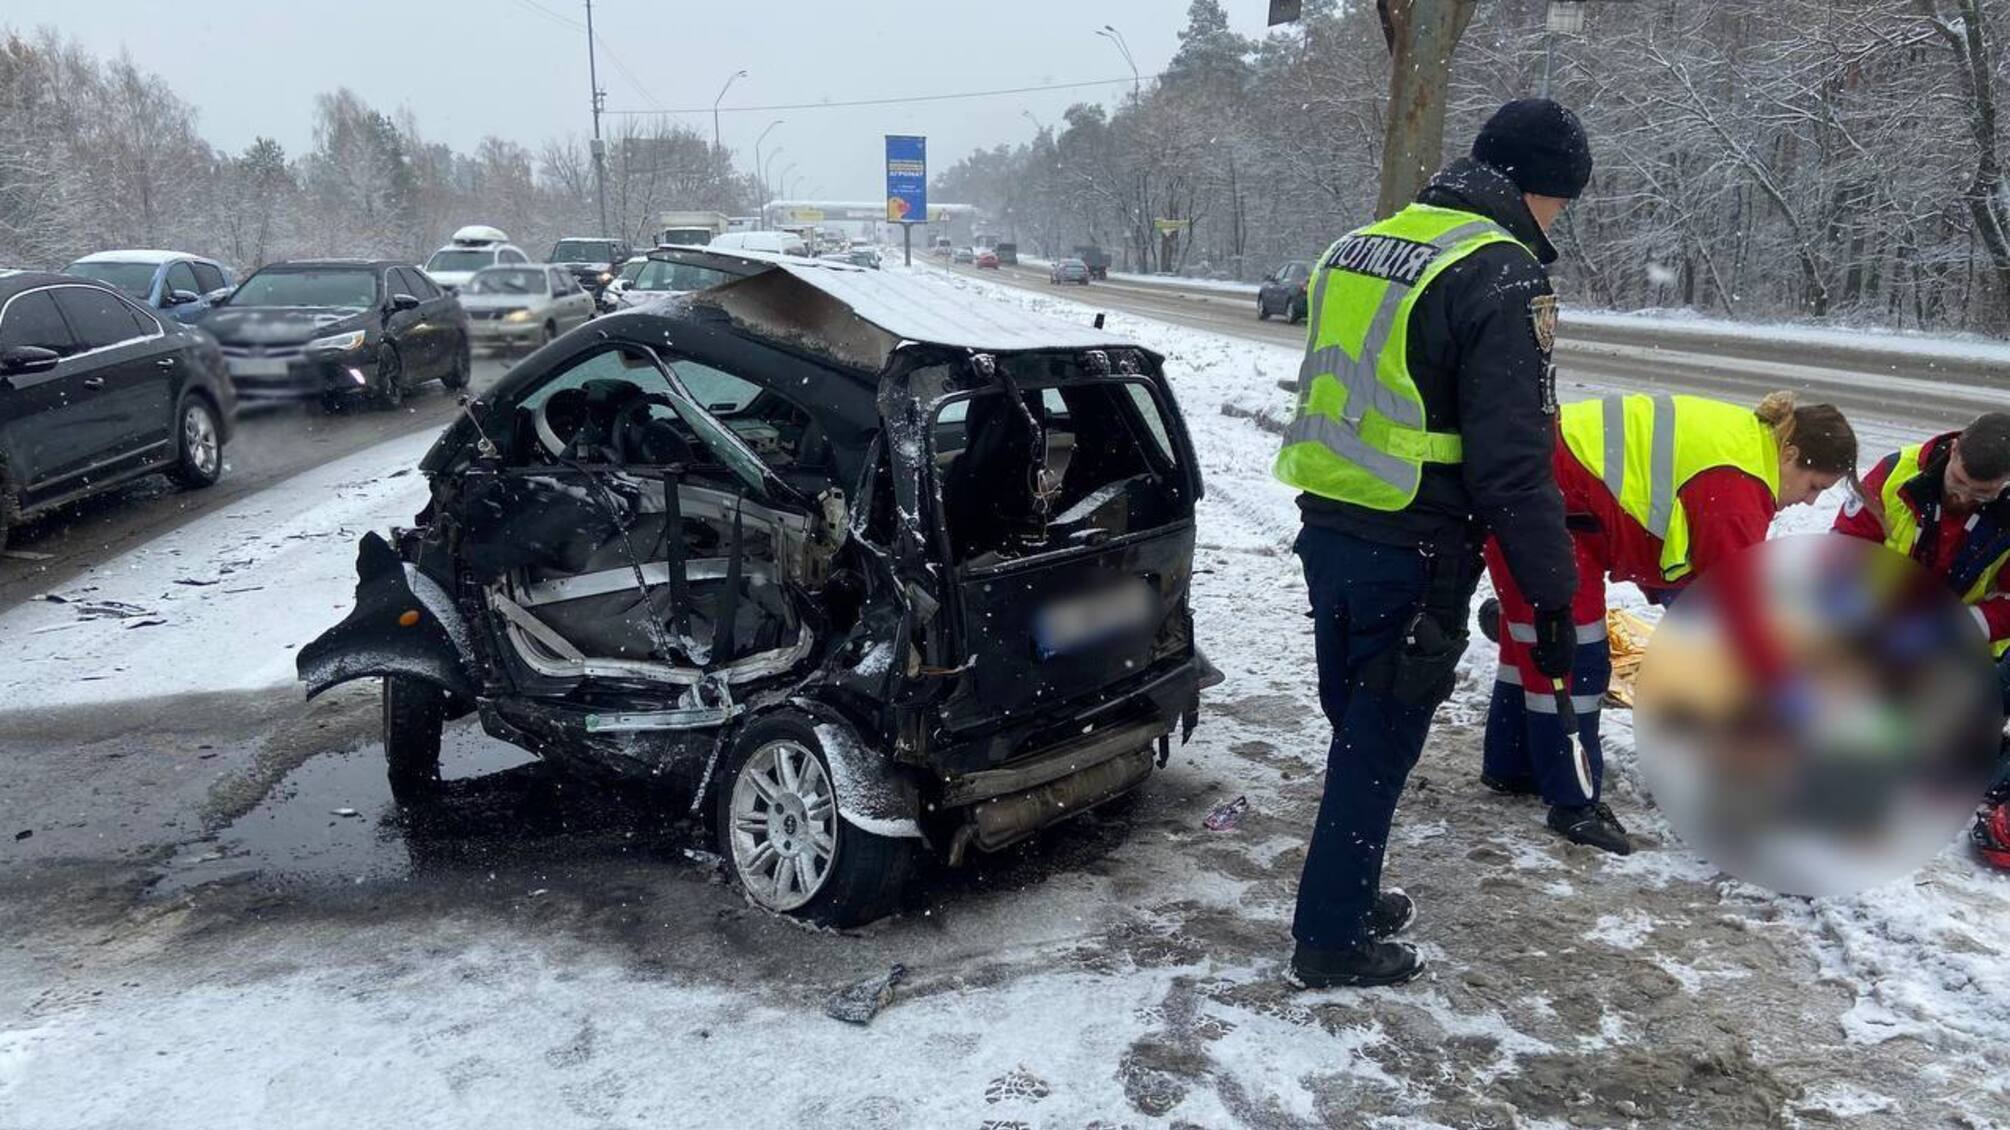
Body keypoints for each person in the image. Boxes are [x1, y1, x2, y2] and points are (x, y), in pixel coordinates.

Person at [1273, 99, 1589, 988]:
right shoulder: (1501, 273)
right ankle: (1330, 940)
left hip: (1330, 522)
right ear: (1540, 189)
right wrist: (1552, 593)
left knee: (1358, 726)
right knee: (1378, 742)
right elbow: (1513, 464)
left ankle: (1351, 890)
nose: (1560, 219)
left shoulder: (1358, 246)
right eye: (1563, 201)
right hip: (1415, 543)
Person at [1480, 392, 1858, 854]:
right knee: (1575, 658)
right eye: (1813, 486)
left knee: (1532, 645)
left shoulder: (1746, 445)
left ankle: (1513, 765)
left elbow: (1679, 563)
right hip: (1546, 510)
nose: (1807, 502)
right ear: (1791, 454)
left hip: (1539, 493)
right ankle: (1571, 804)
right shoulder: (1738, 489)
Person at [1831, 412, 2010, 868]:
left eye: (1982, 494)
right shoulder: (1894, 476)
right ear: (1954, 450)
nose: (1962, 497)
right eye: (1959, 481)